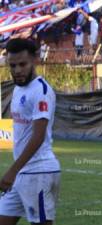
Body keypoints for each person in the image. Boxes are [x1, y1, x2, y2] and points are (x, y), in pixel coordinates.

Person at [0, 38, 60, 225]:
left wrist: (12, 171)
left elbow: (38, 136)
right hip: (22, 174)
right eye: (13, 65)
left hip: (39, 173)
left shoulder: (41, 90)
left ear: (35, 59)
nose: (17, 70)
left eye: (22, 64)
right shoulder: (18, 89)